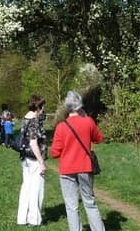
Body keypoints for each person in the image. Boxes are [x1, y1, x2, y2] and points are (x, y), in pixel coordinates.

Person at [51, 91, 105, 231]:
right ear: (80, 106)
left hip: (67, 169)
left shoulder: (61, 127)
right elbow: (99, 139)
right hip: (85, 167)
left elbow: (54, 153)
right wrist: (87, 119)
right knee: (90, 202)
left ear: (67, 107)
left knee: (71, 206)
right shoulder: (88, 122)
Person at [17, 94, 47, 227]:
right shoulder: (34, 121)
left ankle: (22, 218)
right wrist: (41, 161)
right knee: (37, 189)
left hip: (25, 157)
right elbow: (34, 143)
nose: (43, 109)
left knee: (26, 187)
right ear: (38, 106)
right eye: (42, 106)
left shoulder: (25, 117)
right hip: (34, 159)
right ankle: (34, 220)